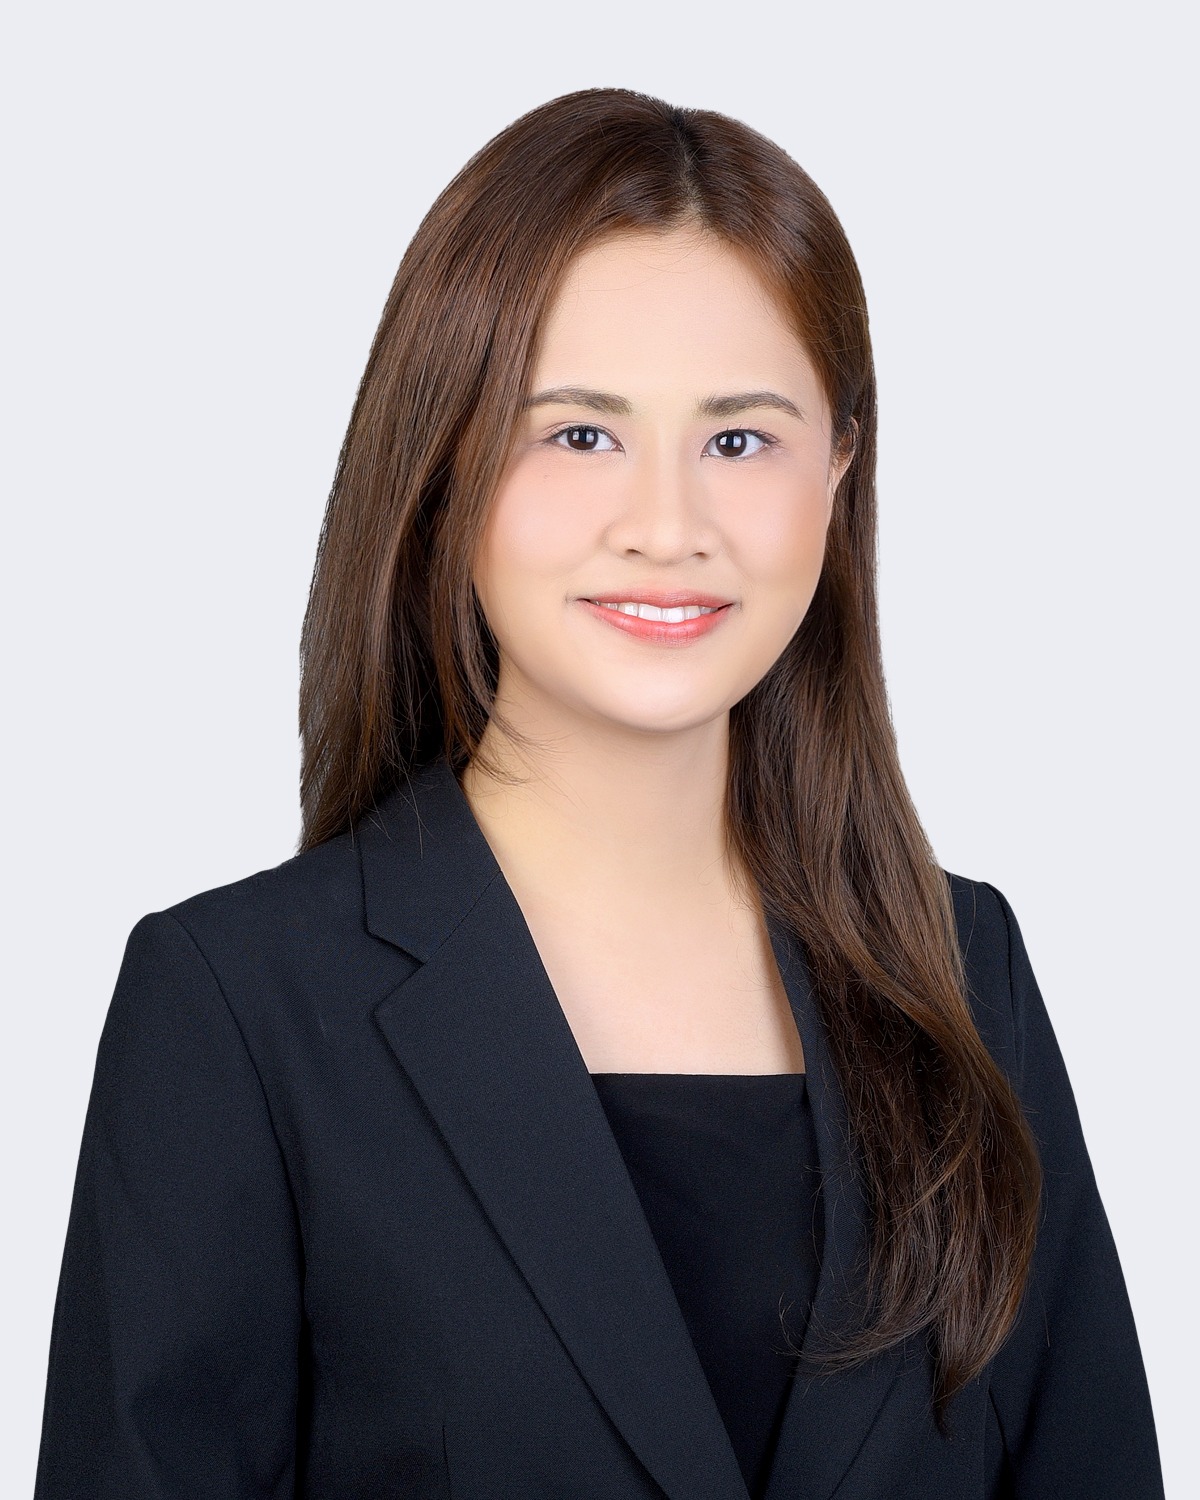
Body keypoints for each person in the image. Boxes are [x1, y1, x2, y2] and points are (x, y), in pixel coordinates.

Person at [33, 88, 1163, 1500]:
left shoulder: (960, 972)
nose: (666, 527)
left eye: (739, 440)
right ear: (445, 458)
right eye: (579, 435)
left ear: (840, 467)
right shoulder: (241, 1004)